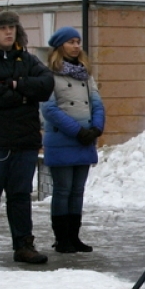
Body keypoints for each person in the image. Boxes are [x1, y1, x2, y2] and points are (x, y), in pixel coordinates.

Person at [0, 10, 54, 268]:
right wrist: (25, 94)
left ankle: (24, 246)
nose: (8, 32)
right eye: (2, 27)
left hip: (23, 140)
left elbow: (46, 85)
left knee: (20, 196)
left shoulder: (29, 60)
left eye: (12, 27)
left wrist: (13, 85)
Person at [41, 26, 105, 253]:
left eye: (78, 41)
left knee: (78, 190)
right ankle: (62, 239)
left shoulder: (86, 75)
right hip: (63, 139)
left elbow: (97, 102)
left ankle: (74, 237)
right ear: (60, 46)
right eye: (71, 42)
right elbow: (49, 109)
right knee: (63, 189)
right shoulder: (49, 75)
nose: (77, 46)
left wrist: (96, 128)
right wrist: (77, 131)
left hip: (85, 140)